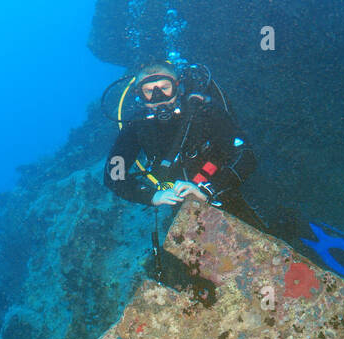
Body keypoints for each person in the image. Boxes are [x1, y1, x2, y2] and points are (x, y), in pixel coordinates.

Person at [102, 62, 263, 228]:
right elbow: (113, 176)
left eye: (165, 87)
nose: (158, 97)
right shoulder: (136, 126)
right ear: (139, 96)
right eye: (149, 91)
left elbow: (246, 156)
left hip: (227, 191)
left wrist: (208, 190)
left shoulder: (204, 110)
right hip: (182, 208)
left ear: (177, 87)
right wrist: (152, 196)